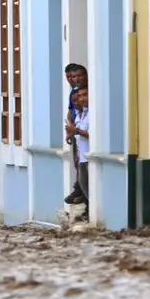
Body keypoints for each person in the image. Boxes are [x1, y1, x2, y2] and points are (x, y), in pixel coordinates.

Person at [64, 64, 87, 204]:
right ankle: (79, 189)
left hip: (81, 130)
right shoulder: (73, 91)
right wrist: (69, 129)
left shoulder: (84, 92)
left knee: (83, 165)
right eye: (71, 77)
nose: (74, 79)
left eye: (78, 76)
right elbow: (70, 111)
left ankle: (80, 191)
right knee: (78, 163)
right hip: (76, 131)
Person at [66, 87, 90, 221]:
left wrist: (75, 130)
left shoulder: (91, 114)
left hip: (89, 159)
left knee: (89, 191)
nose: (81, 99)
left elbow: (92, 135)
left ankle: (90, 214)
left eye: (84, 95)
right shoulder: (81, 115)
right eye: (78, 97)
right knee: (85, 188)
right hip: (82, 159)